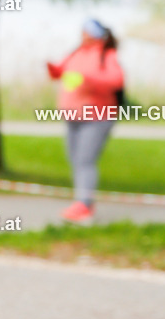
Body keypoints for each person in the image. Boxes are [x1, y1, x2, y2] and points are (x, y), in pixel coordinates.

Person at [47, 18, 124, 225]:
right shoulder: (76, 52)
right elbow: (63, 73)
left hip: (97, 117)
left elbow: (116, 81)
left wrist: (88, 78)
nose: (83, 35)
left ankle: (84, 204)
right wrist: (53, 69)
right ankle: (81, 202)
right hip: (73, 116)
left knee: (85, 160)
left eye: (86, 31)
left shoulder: (106, 54)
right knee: (74, 159)